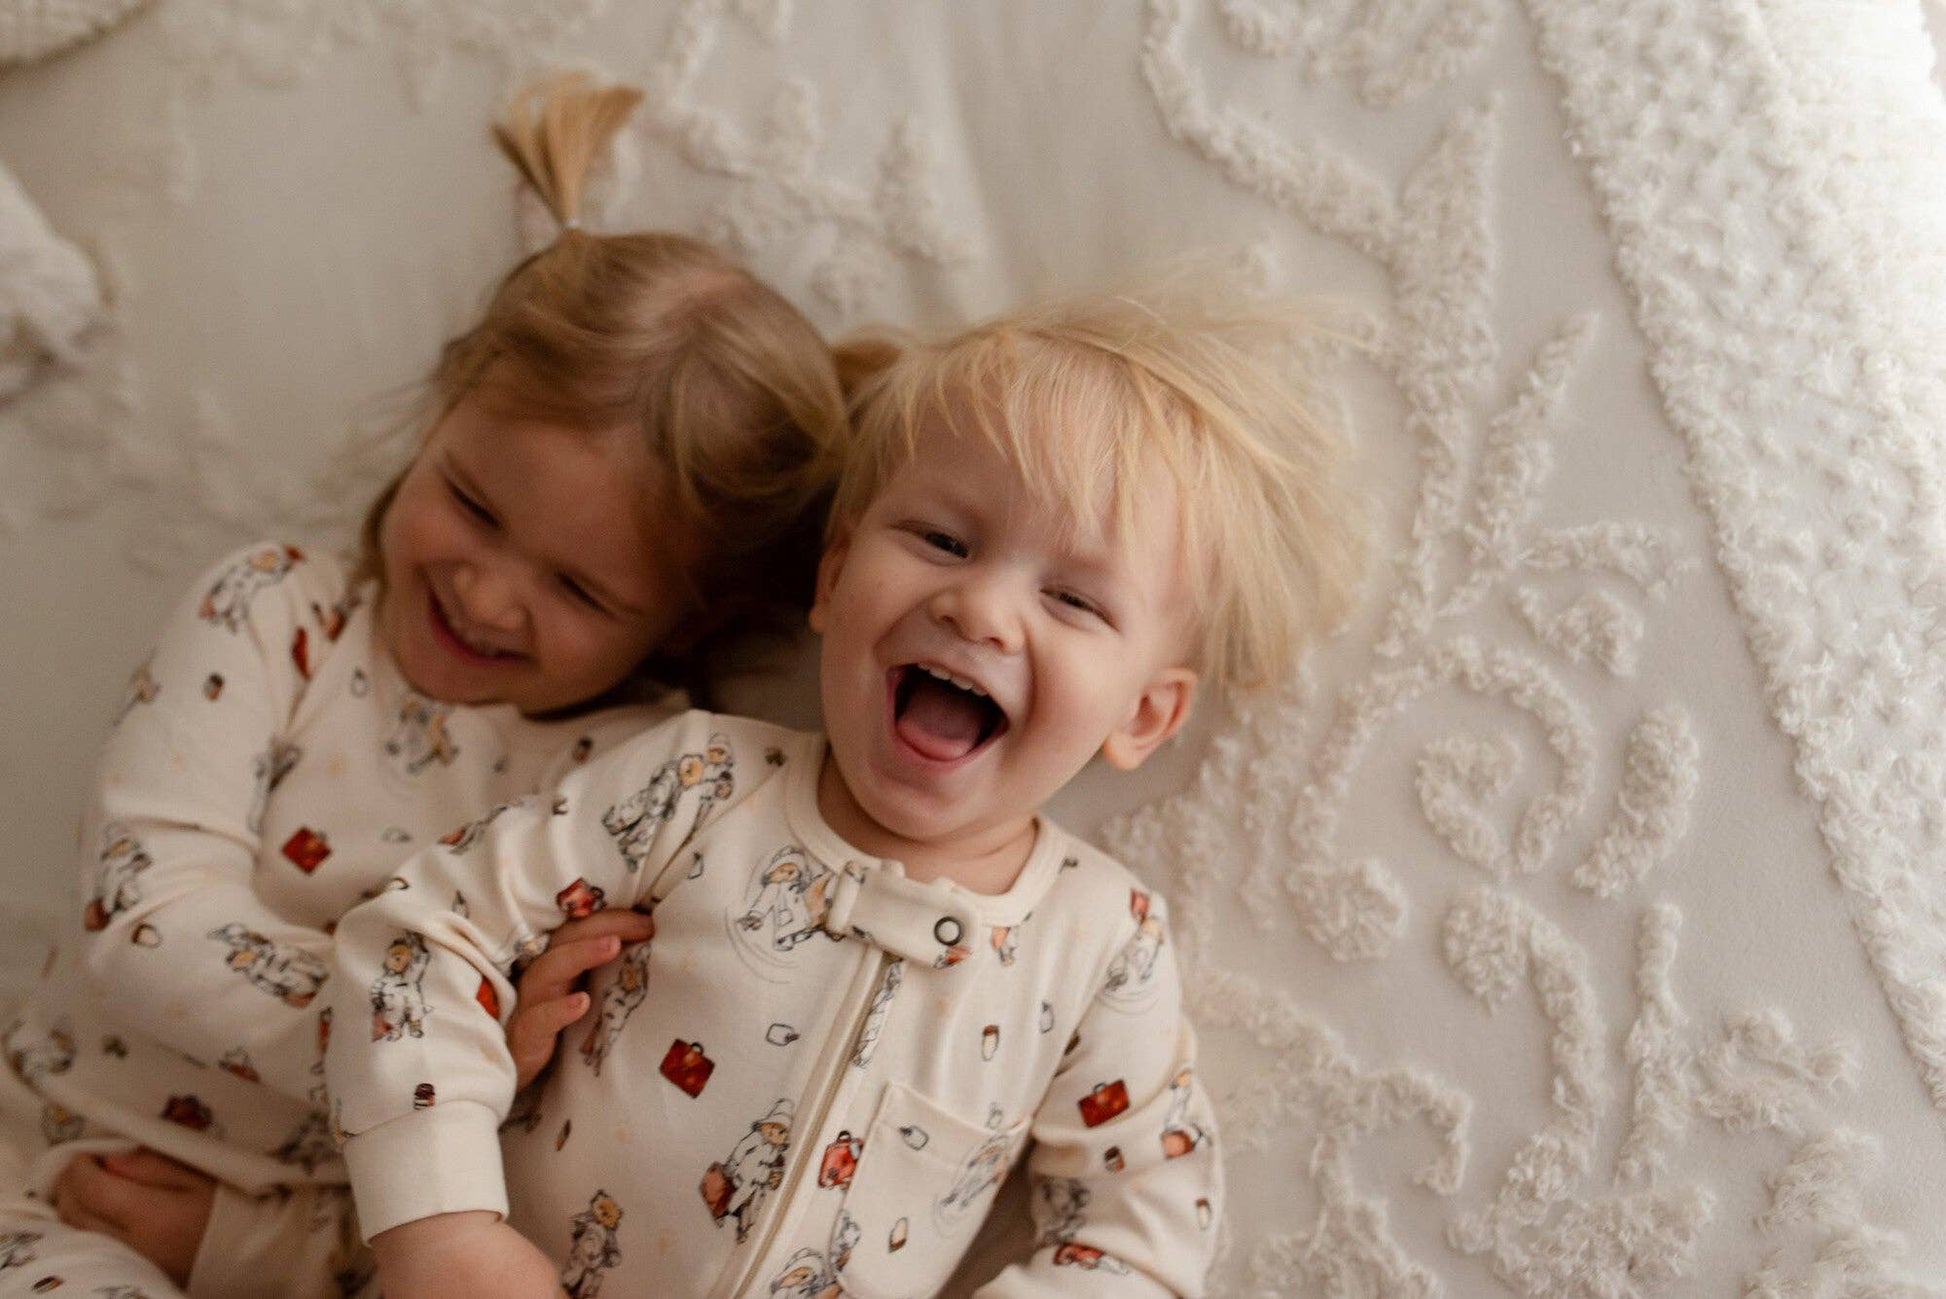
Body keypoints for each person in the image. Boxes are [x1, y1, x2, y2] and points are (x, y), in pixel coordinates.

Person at [322, 278, 1363, 1297]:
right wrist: (444, 1231)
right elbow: (424, 936)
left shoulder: (1100, 949)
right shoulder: (691, 783)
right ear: (831, 580)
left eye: (1071, 598)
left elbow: (1141, 1232)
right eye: (943, 541)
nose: (980, 610)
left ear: (1141, 713)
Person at [0, 68, 847, 1299]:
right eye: (470, 501)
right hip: (51, 1181)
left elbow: (542, 1153)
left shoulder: (639, 793)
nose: (490, 593)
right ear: (438, 413)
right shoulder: (275, 616)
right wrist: (440, 1038)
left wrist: (244, 1248)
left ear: (684, 617)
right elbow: (144, 920)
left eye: (579, 591)